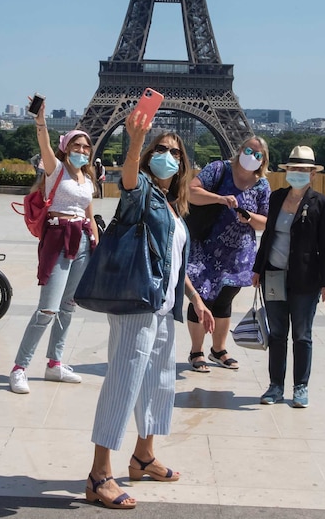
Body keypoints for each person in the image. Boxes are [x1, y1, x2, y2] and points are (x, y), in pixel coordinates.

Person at [85, 110, 214, 510]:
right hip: (136, 303)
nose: (167, 155)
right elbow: (126, 177)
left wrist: (194, 296)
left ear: (182, 163)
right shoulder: (140, 190)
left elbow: (171, 260)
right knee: (123, 380)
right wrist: (137, 139)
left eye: (174, 152)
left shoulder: (174, 207)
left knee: (159, 380)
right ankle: (99, 474)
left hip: (162, 305)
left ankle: (143, 455)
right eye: (160, 149)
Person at [9, 100, 99, 393]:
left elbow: (88, 212)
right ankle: (19, 367)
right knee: (47, 309)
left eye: (86, 147)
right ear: (66, 148)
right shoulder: (56, 169)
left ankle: (54, 364)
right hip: (59, 237)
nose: (82, 151)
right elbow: (43, 141)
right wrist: (41, 120)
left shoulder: (87, 177)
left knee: (68, 307)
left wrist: (95, 239)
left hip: (82, 240)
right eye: (77, 146)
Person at [252, 145, 325, 408]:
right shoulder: (276, 198)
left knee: (302, 335)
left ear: (313, 175)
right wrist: (257, 268)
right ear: (287, 171)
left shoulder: (322, 204)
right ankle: (275, 385)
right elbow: (267, 235)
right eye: (294, 169)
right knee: (277, 334)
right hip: (274, 275)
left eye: (304, 170)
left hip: (305, 279)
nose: (298, 174)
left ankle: (300, 386)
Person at [185, 136, 271, 373]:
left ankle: (218, 349)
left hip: (238, 254)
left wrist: (250, 218)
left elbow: (266, 222)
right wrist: (221, 199)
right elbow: (191, 192)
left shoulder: (262, 185)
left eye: (258, 154)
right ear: (239, 149)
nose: (252, 157)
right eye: (248, 150)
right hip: (206, 247)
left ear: (264, 160)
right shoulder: (218, 169)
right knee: (202, 296)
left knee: (224, 300)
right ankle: (196, 350)